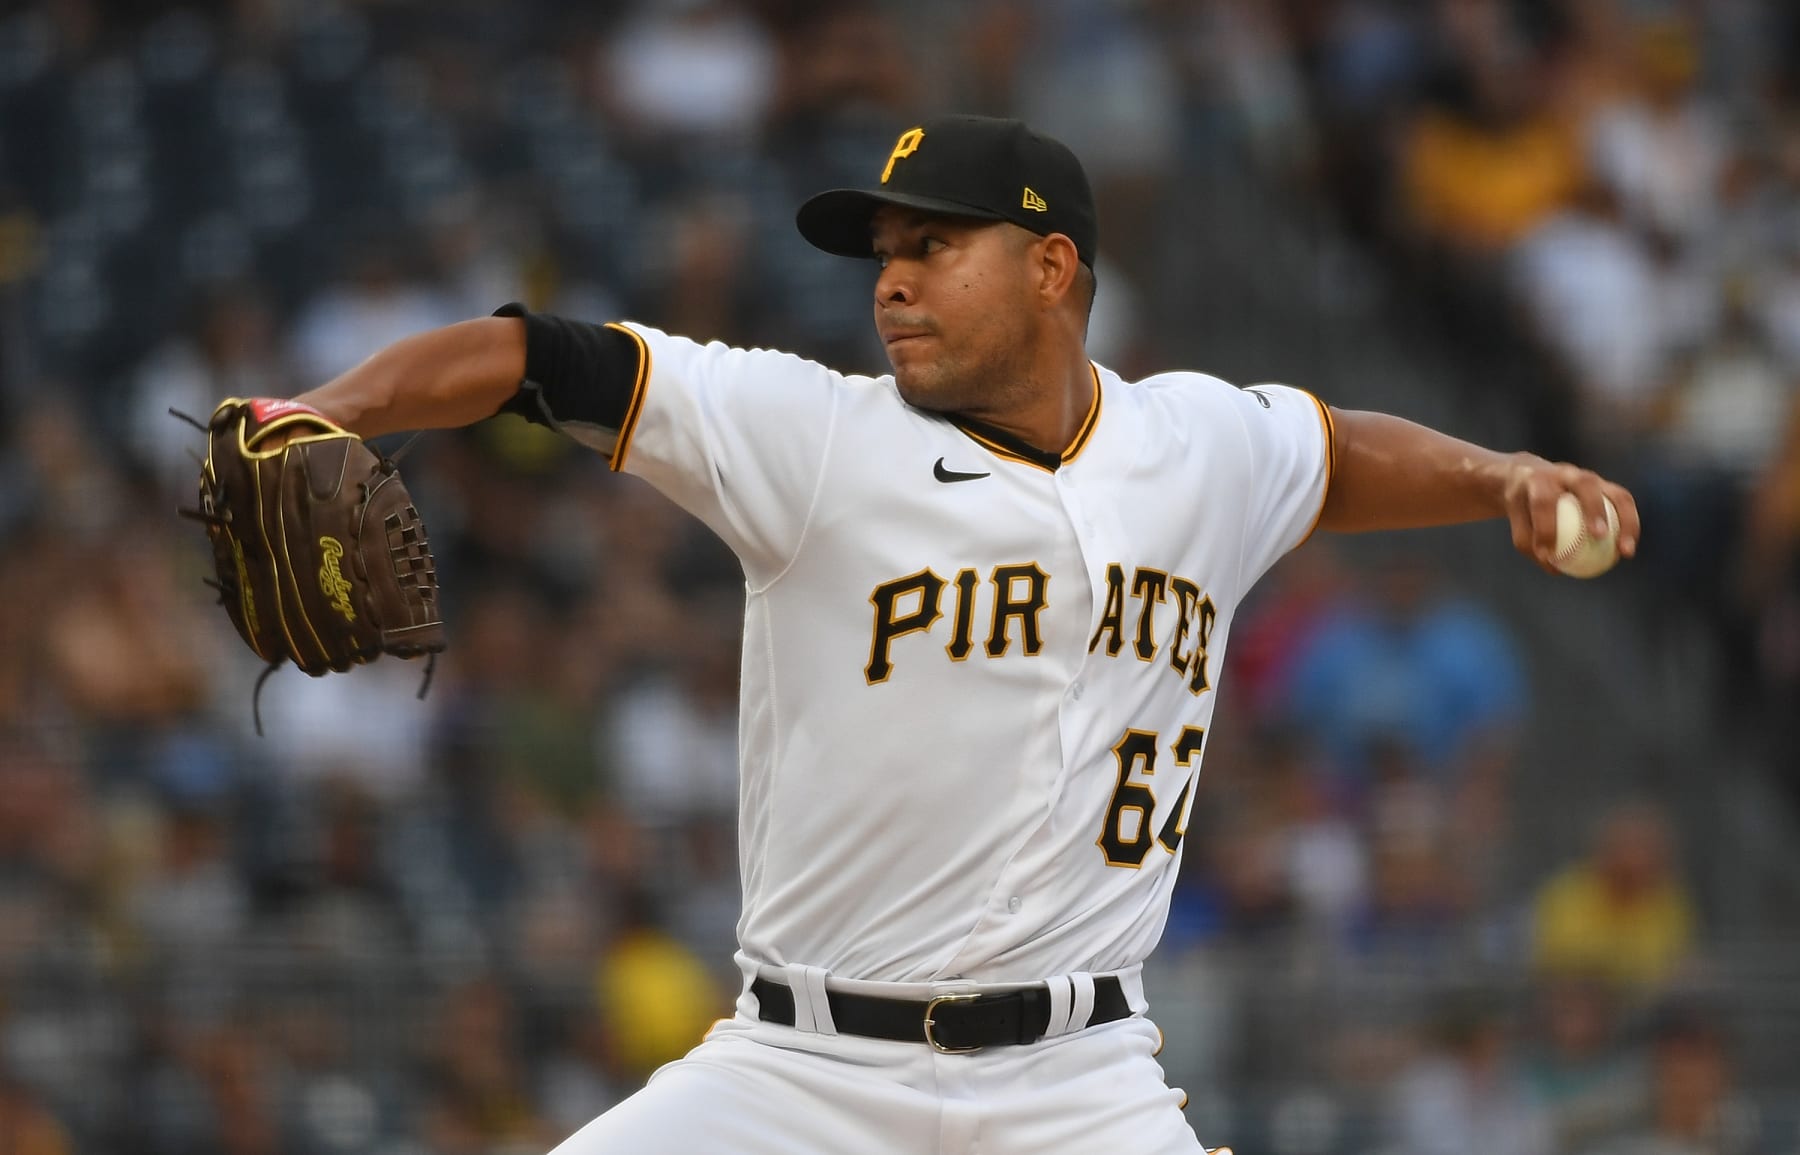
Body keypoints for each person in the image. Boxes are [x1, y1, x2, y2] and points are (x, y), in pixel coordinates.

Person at [274, 115, 1639, 1154]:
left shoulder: (1200, 443)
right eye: (886, 254)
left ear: (1053, 267)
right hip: (800, 1080)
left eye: (935, 246)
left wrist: (1503, 475)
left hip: (1080, 1087)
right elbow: (535, 359)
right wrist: (322, 410)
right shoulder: (810, 436)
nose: (893, 283)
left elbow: (1336, 455)